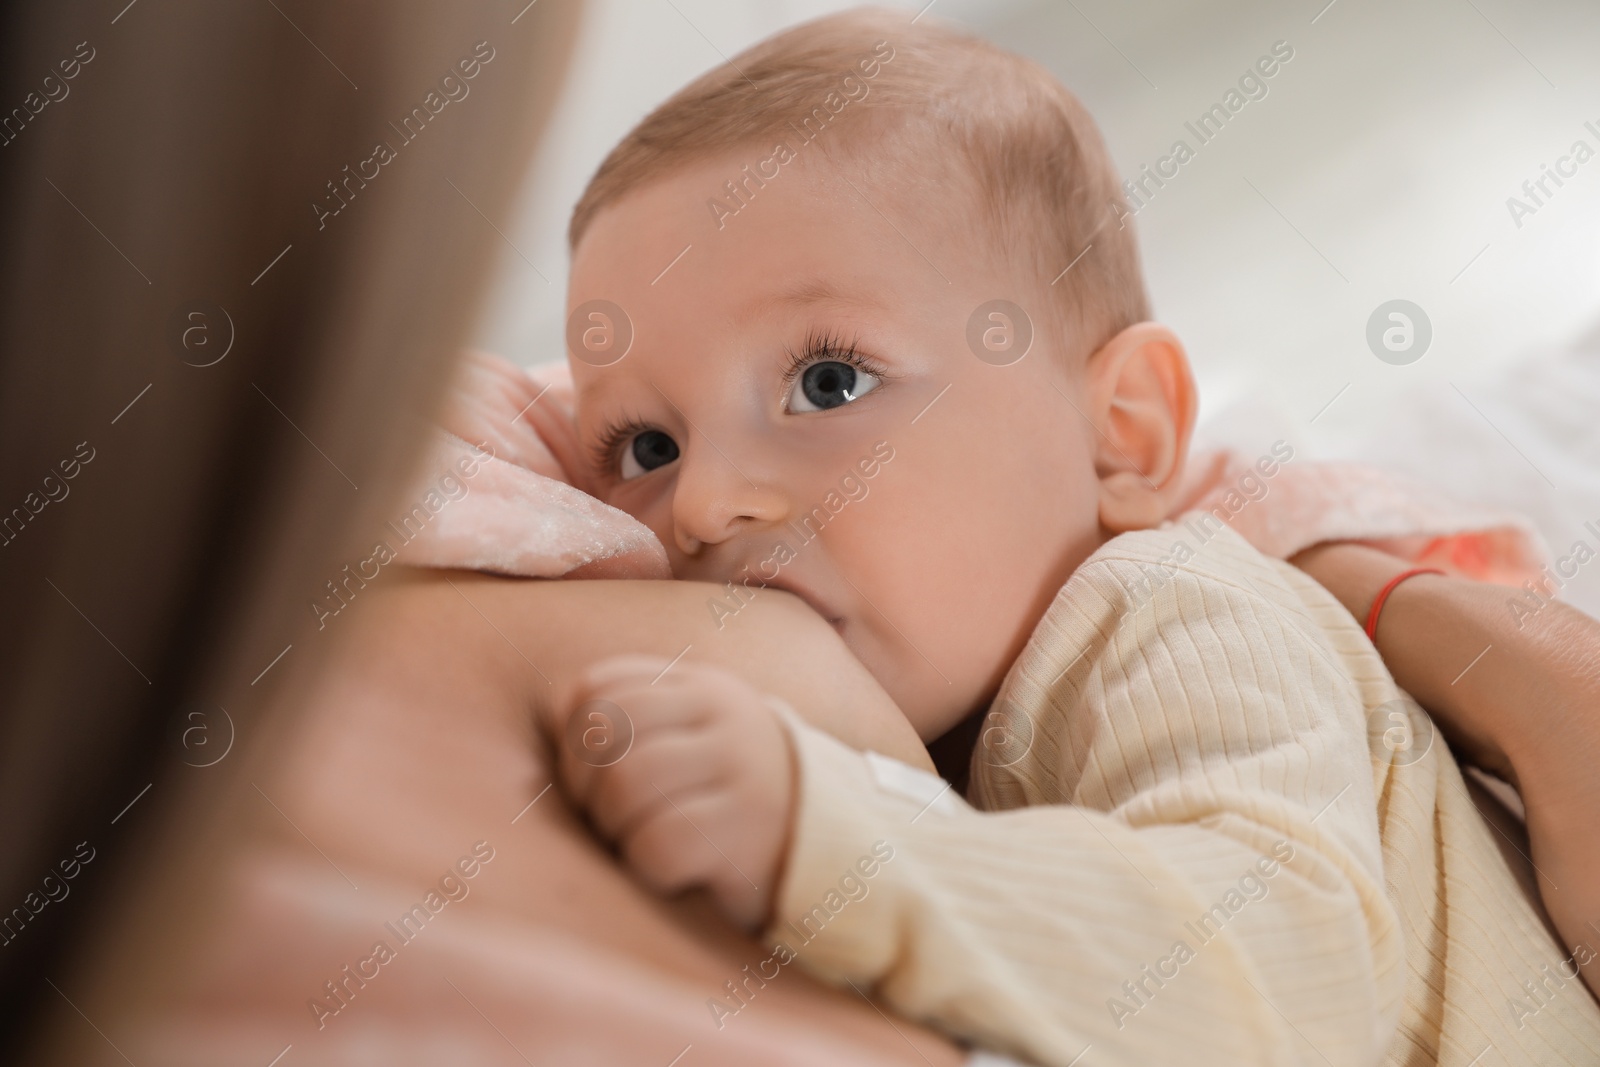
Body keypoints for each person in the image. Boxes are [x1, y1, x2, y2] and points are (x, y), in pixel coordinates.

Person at [533, 10, 1600, 1065]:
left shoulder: (1165, 610)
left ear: (1121, 435)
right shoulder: (957, 706)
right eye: (645, 445)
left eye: (828, 382)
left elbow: (1283, 970)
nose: (706, 501)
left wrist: (851, 848)